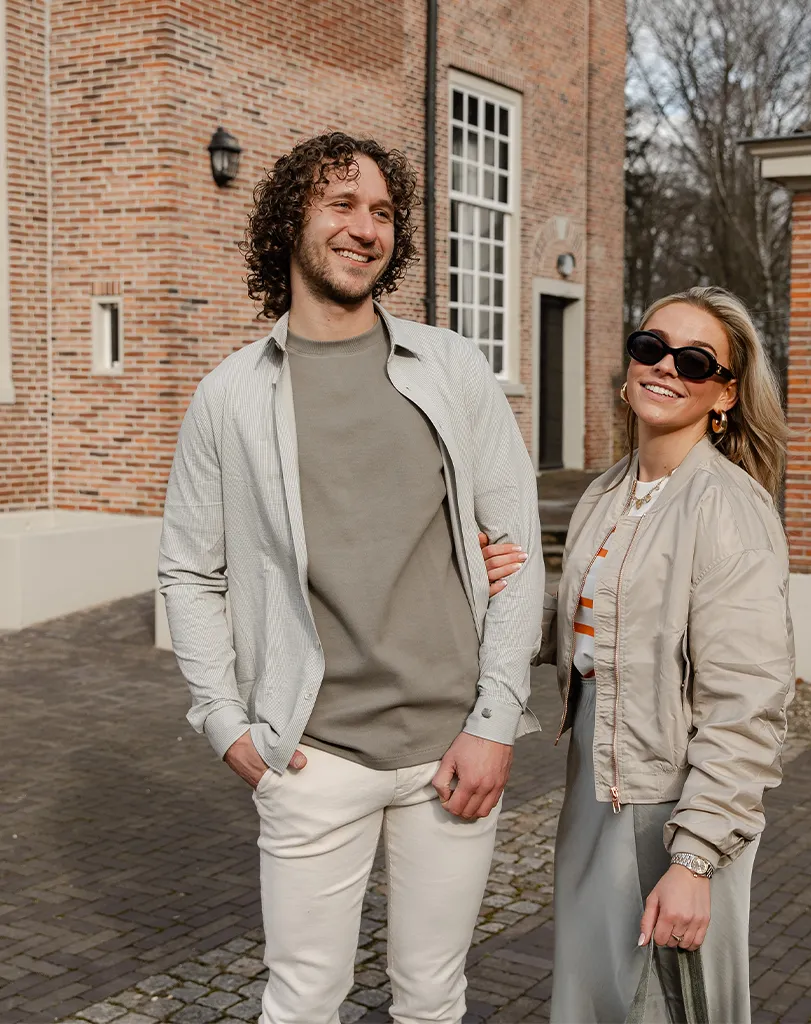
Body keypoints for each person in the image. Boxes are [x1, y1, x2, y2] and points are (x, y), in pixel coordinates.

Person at [157, 131, 544, 1024]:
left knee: (433, 999)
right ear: (291, 220)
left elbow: (517, 550)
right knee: (300, 1004)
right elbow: (189, 571)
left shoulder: (451, 367)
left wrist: (494, 721)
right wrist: (224, 722)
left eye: (383, 212)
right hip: (312, 754)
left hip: (453, 750)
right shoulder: (229, 396)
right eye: (342, 204)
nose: (365, 228)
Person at [536, 286, 795, 1023]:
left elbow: (747, 704)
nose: (666, 367)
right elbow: (586, 639)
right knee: (595, 997)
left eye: (695, 360)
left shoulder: (727, 507)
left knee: (665, 1005)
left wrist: (694, 858)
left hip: (672, 802)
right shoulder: (609, 491)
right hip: (596, 783)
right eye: (651, 347)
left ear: (726, 394)